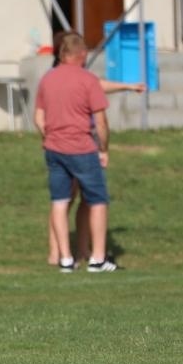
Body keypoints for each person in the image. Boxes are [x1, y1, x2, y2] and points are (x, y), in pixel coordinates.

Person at [42, 32, 145, 268]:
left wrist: (127, 85)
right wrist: (103, 148)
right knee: (67, 200)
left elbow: (97, 85)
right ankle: (58, 253)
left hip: (64, 145)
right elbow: (99, 112)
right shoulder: (56, 77)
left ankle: (78, 252)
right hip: (77, 146)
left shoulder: (67, 77)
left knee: (77, 200)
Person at [34, 32, 118, 273]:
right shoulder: (88, 80)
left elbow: (39, 117)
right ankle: (97, 259)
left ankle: (66, 259)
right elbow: (101, 123)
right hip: (81, 148)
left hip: (54, 149)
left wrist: (47, 137)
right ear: (83, 54)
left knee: (60, 201)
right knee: (97, 200)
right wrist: (103, 149)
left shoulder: (47, 80)